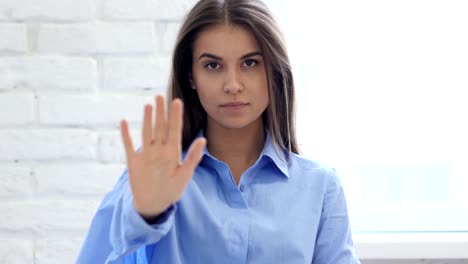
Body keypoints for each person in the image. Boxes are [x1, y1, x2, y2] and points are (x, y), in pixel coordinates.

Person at [77, 0, 360, 263]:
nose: (233, 85)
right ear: (191, 77)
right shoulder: (158, 171)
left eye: (250, 63)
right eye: (213, 65)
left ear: (274, 71)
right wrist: (146, 215)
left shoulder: (320, 186)